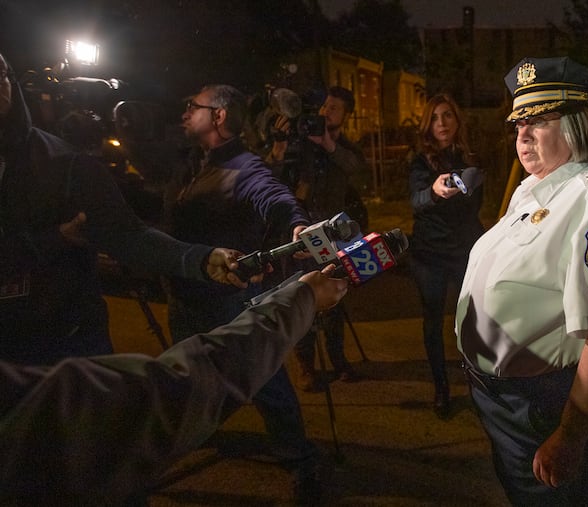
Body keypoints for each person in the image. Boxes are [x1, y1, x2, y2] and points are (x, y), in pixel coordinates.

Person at [456, 57, 588, 505]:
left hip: (549, 406)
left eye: (540, 120)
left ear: (578, 125)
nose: (522, 135)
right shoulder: (536, 186)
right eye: (518, 123)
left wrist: (571, 435)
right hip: (508, 402)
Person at [0, 266, 348, 506]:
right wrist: (298, 302)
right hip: (195, 304)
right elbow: (161, 396)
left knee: (268, 390)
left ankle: (296, 454)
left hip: (221, 300)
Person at [0, 51, 247, 366]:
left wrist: (200, 259)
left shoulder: (66, 163)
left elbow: (128, 236)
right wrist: (53, 239)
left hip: (64, 351)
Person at [161, 84, 323, 504]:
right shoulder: (193, 164)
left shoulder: (243, 167)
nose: (184, 113)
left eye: (191, 106)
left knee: (263, 376)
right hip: (185, 300)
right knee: (194, 373)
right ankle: (206, 430)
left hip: (225, 300)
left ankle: (298, 455)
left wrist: (297, 224)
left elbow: (276, 198)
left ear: (217, 115)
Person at [267, 85, 371, 391]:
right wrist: (278, 150)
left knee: (335, 296)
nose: (327, 112)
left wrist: (327, 143)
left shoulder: (345, 149)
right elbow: (271, 176)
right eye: (325, 106)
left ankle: (338, 360)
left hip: (333, 234)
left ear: (346, 116)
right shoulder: (300, 146)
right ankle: (306, 366)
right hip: (300, 233)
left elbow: (358, 171)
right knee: (303, 298)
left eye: (335, 108)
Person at [408, 93, 484, 419]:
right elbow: (416, 201)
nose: (442, 123)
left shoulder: (470, 158)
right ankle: (441, 387)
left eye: (448, 116)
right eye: (436, 117)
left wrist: (467, 185)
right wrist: (435, 193)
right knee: (433, 321)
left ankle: (478, 384)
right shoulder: (420, 161)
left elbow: (476, 204)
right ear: (429, 123)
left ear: (457, 120)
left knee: (471, 321)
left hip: (464, 251)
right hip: (430, 255)